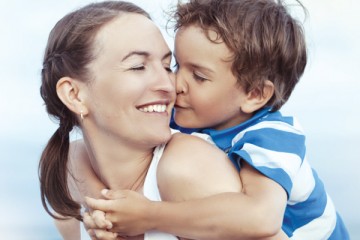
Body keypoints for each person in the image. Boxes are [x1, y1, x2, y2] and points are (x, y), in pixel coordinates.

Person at [81, 0, 350, 239]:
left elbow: (261, 217)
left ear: (255, 94)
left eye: (199, 76)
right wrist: (107, 215)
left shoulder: (272, 136)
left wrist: (149, 215)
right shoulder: (190, 117)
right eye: (176, 66)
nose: (176, 83)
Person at [38, 1, 251, 239]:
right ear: (74, 95)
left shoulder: (185, 167)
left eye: (167, 66)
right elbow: (65, 196)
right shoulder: (70, 164)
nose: (168, 86)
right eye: (138, 67)